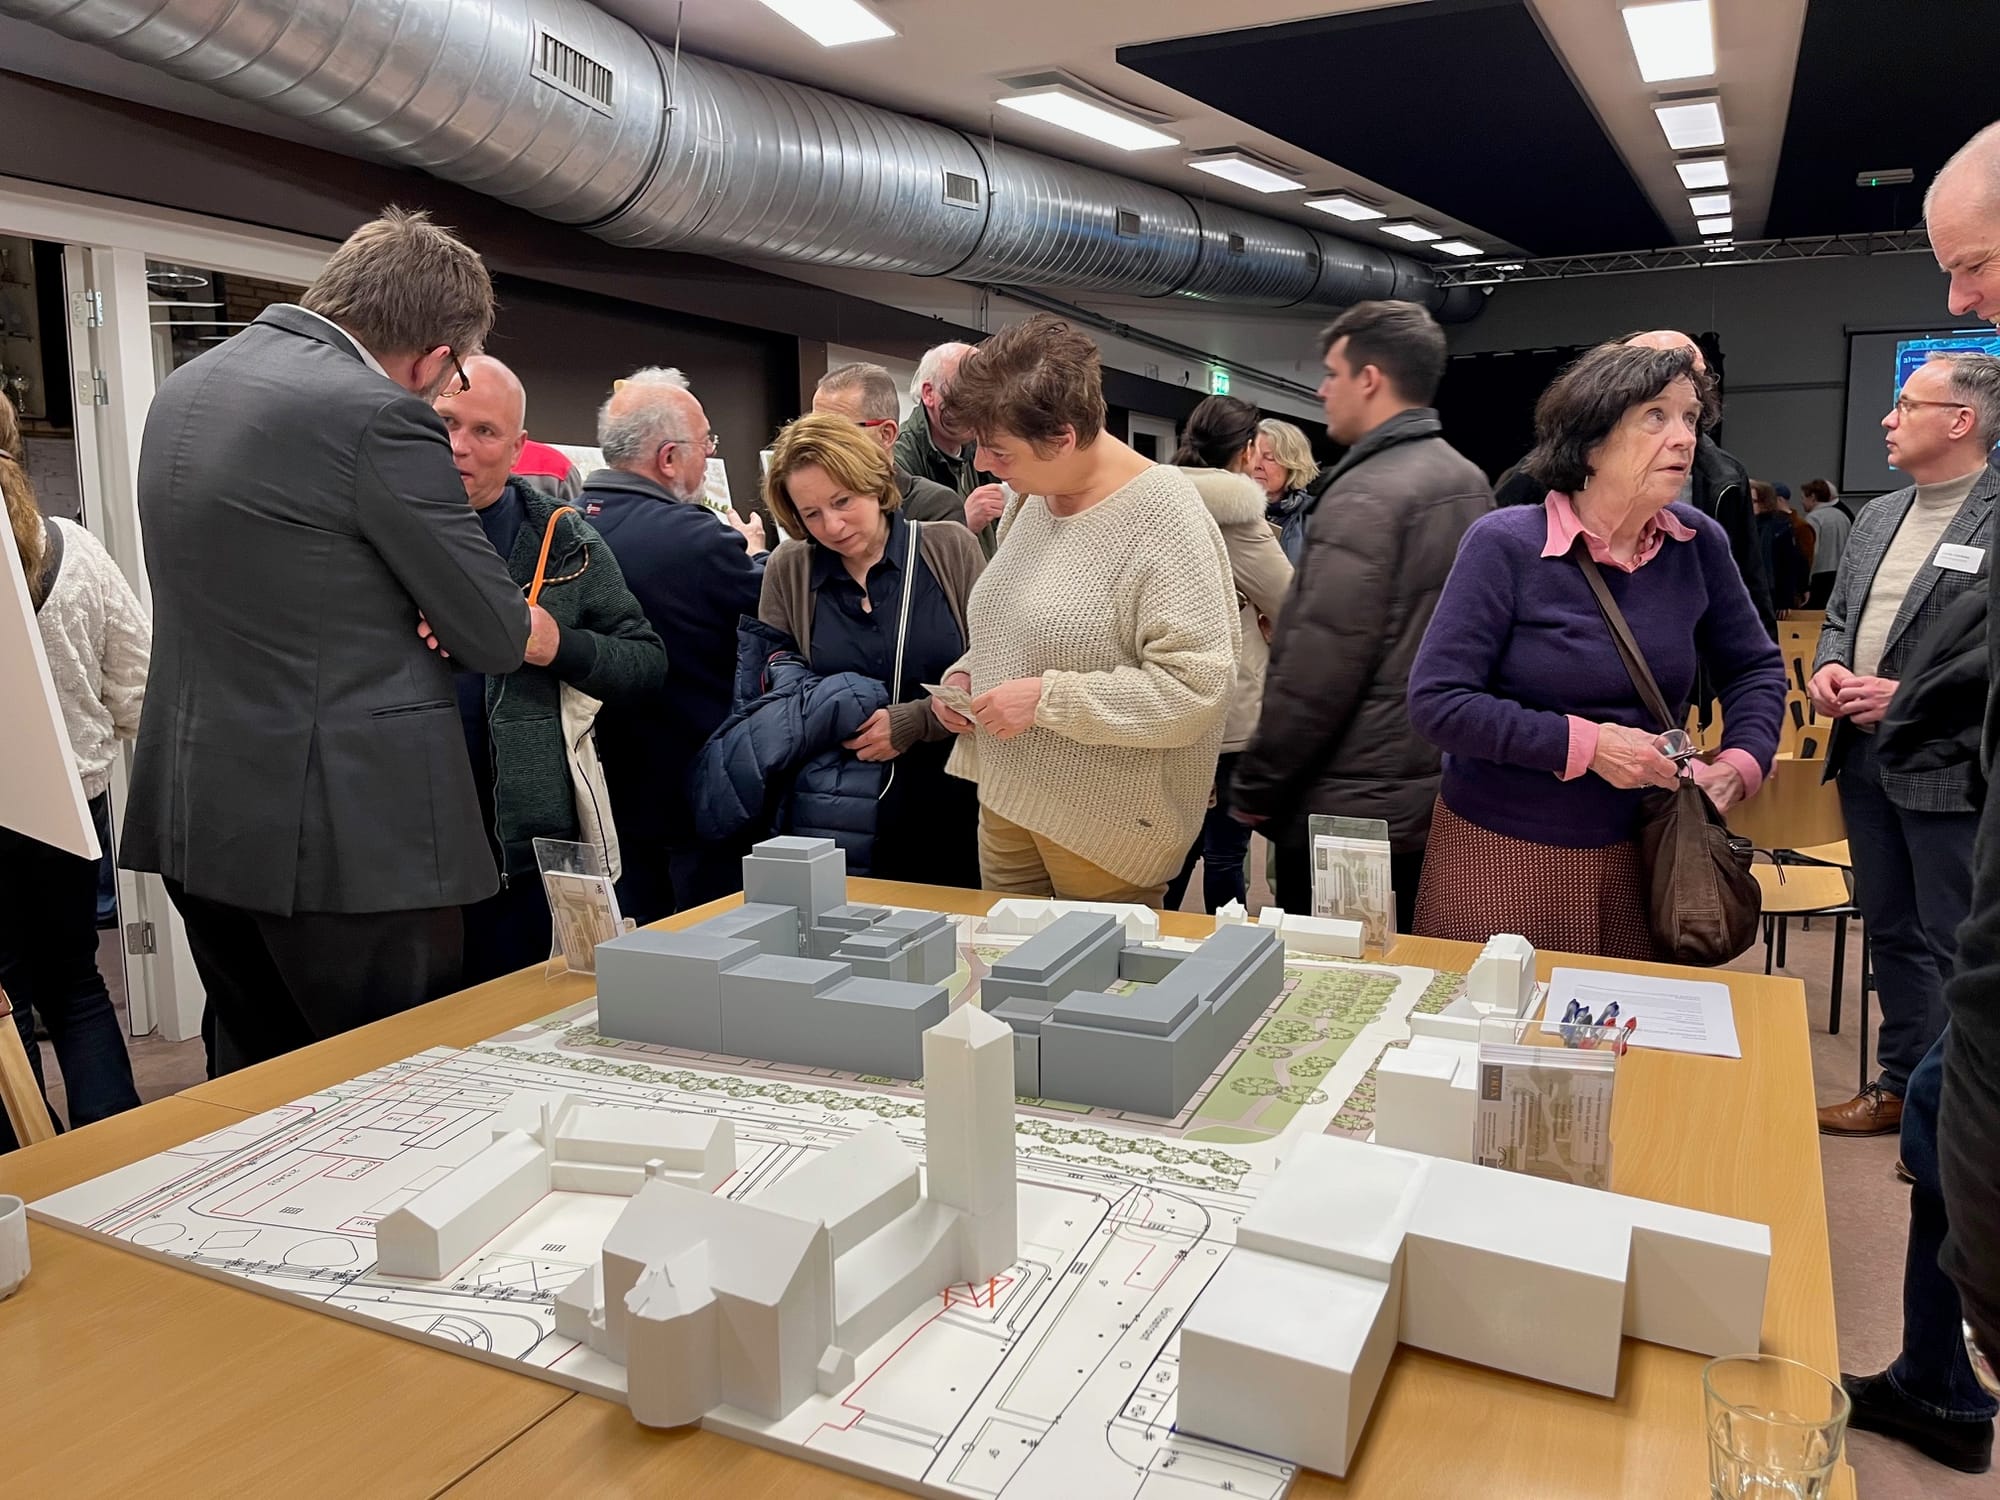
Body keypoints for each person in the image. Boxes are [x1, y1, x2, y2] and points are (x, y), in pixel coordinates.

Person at [120, 209, 529, 1076]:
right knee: (392, 1098)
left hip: (201, 812)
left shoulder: (188, 386)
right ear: (431, 357)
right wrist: (429, 600)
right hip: (353, 842)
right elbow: (494, 631)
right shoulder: (378, 416)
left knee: (257, 1085)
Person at [1406, 340, 1784, 958]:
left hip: (1653, 853)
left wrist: (1740, 765)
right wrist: (1589, 747)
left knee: (1631, 1020)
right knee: (1501, 1018)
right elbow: (1438, 703)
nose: (1685, 439)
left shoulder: (1699, 543)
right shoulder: (1505, 544)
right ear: (1591, 439)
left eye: (1691, 418)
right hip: (1504, 854)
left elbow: (1754, 667)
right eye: (1656, 416)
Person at [928, 314, 1239, 904]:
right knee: (1002, 958)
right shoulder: (1033, 498)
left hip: (1105, 826)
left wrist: (1046, 700)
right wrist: (970, 675)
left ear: (1064, 438)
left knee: (1096, 966)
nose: (984, 463)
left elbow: (1193, 691)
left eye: (998, 449)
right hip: (1007, 795)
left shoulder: (1165, 518)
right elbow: (1015, 620)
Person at [1232, 302, 1491, 933]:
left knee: (1329, 980)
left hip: (1347, 808)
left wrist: (1258, 785)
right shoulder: (1468, 480)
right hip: (1435, 792)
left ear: (1369, 379)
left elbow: (1318, 668)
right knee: (1411, 968)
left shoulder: (1364, 494)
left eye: (1332, 373)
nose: (1322, 390)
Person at [1807, 350, 1999, 1139]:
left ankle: (1954, 1120)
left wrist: (1911, 697)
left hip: (1950, 766)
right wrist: (1826, 669)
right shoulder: (1878, 515)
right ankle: (1900, 1087)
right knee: (1888, 930)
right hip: (1862, 758)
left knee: (1955, 944)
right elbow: (1838, 620)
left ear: (1961, 421)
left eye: (1908, 405)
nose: (1889, 420)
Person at [434, 356, 665, 985]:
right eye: (446, 422)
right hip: (403, 850)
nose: (459, 446)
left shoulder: (561, 539)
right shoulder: (373, 529)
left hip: (526, 855)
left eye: (484, 431)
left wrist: (558, 645)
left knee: (518, 1013)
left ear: (517, 448)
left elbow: (645, 663)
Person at [1903, 117, 2000, 1463]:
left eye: (1973, 263)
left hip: (1947, 801)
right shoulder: (1880, 518)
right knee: (1932, 1094)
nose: (1963, 299)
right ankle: (1933, 1379)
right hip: (1903, 784)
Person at [752, 414, 987, 885]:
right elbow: (773, 684)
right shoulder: (789, 567)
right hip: (834, 812)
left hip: (952, 801)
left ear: (876, 484)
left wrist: (915, 720)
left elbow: (995, 661)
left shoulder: (949, 548)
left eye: (843, 501)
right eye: (811, 514)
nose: (833, 525)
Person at [0, 393, 143, 1148]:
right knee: (77, 986)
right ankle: (115, 1161)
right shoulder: (75, 550)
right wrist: (92, 736)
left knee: (6, 1008)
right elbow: (138, 683)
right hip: (69, 811)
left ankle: (31, 1170)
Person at [581, 368, 766, 922]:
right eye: (706, 443)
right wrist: (756, 554)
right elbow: (780, 614)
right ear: (668, 458)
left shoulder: (557, 527)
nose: (709, 455)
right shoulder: (698, 539)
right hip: (693, 791)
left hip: (596, 793)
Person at [1162, 396, 1294, 913]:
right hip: (1228, 703)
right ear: (1245, 450)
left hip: (1160, 697)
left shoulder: (1150, 499)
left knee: (1164, 850)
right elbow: (1291, 603)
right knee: (1223, 851)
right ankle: (1227, 949)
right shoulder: (1235, 514)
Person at [810, 362, 967, 527]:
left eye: (837, 433)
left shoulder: (935, 506)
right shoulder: (808, 501)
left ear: (886, 434)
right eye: (814, 432)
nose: (821, 445)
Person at [894, 340, 1009, 554]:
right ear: (929, 393)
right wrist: (961, 523)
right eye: (963, 394)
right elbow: (896, 550)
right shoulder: (900, 459)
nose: (976, 409)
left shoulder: (977, 442)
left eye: (984, 396)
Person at [1248, 417, 1319, 564]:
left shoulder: (1313, 517)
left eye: (1269, 458)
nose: (1256, 464)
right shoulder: (1230, 506)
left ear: (1292, 466)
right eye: (1252, 455)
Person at [1752, 478, 1813, 612]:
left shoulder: (1781, 527)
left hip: (1772, 593)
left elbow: (1791, 562)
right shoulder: (1743, 526)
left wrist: (1787, 598)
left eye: (1754, 501)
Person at [1800, 478, 1851, 608]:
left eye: (1803, 498)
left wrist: (1805, 582)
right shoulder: (1842, 516)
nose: (1802, 502)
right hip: (1841, 574)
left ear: (1812, 497)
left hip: (1819, 576)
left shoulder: (1813, 518)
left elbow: (1812, 550)